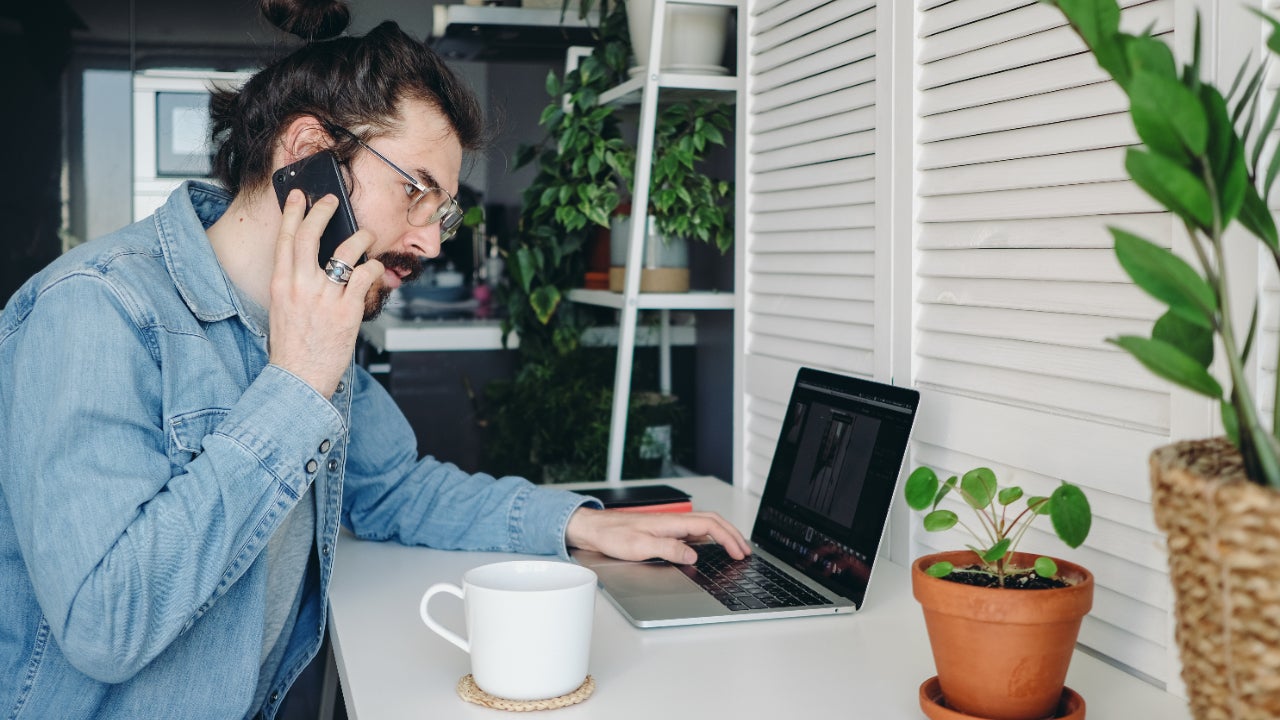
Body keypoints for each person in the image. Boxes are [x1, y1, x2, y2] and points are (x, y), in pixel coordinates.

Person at [0, 1, 749, 717]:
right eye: (416, 191)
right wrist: (295, 386)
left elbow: (394, 489)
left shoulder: (307, 320)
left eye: (444, 211)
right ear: (306, 157)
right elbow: (105, 622)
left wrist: (583, 526)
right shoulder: (93, 311)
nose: (430, 241)